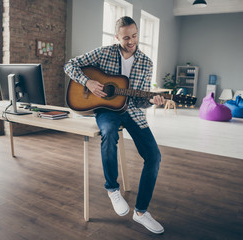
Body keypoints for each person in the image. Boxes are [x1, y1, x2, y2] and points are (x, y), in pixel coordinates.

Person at [64, 16, 165, 234]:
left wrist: (151, 100)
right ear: (117, 37)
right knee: (109, 133)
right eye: (126, 37)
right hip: (107, 110)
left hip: (133, 112)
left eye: (135, 36)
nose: (131, 41)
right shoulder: (103, 53)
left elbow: (139, 100)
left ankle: (141, 212)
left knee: (154, 156)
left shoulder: (146, 62)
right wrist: (88, 82)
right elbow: (69, 65)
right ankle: (112, 189)